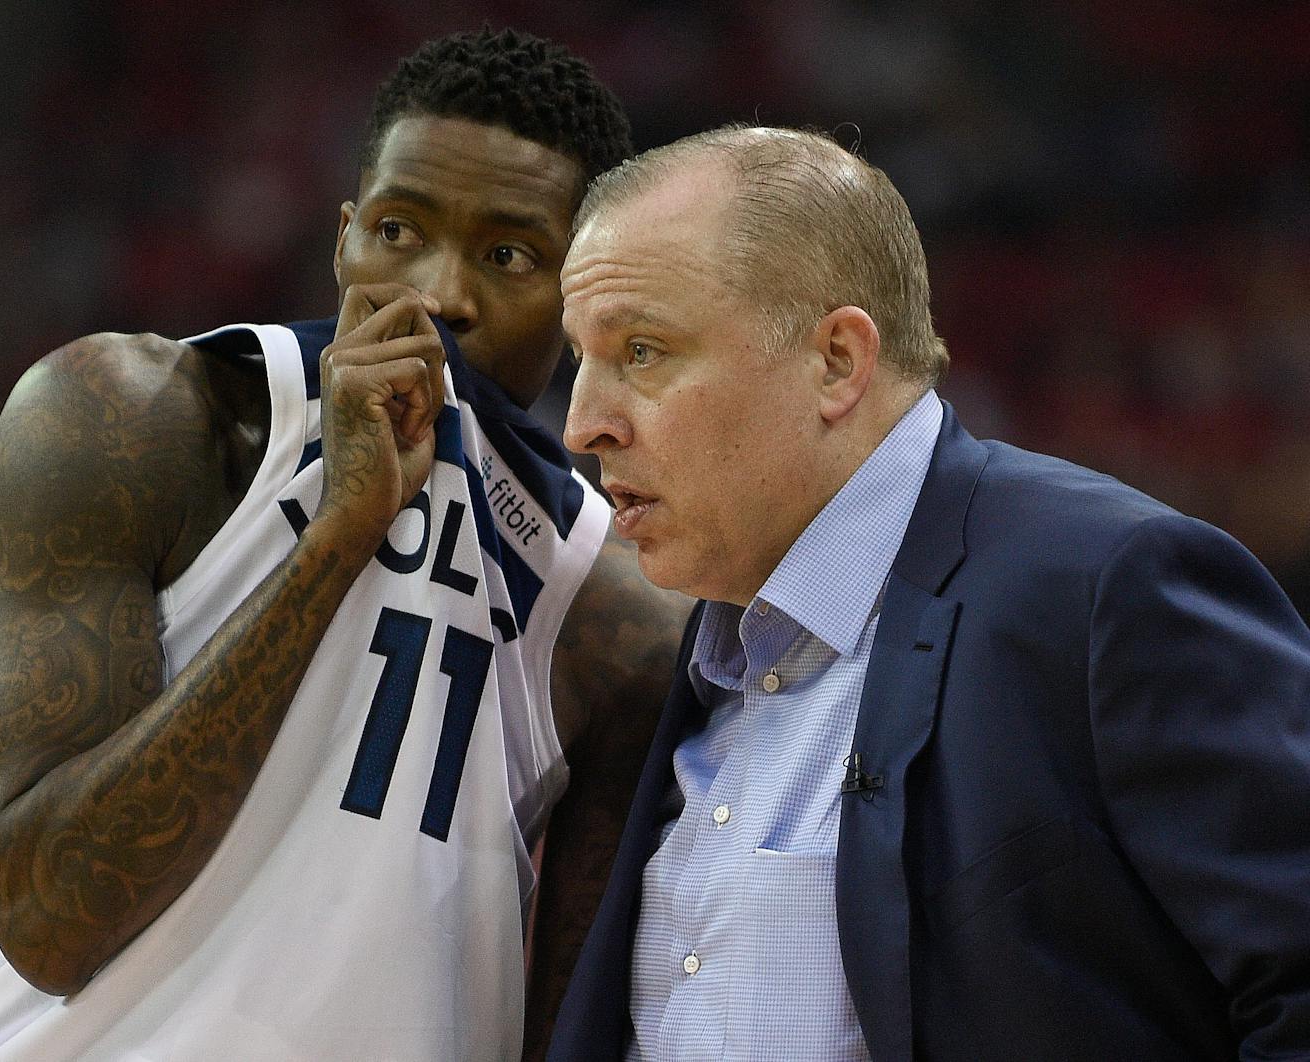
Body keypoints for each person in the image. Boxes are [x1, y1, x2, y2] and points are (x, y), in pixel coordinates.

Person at [0, 28, 688, 1062]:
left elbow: (568, 1032)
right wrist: (337, 539)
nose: (439, 294)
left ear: (585, 291)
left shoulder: (617, 615)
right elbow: (53, 918)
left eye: (508, 255)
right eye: (398, 230)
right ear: (344, 238)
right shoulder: (130, 417)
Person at [543, 125, 1310, 1061]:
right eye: (579, 357)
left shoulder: (1107, 588)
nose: (585, 422)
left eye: (644, 351)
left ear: (835, 361)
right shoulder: (681, 655)